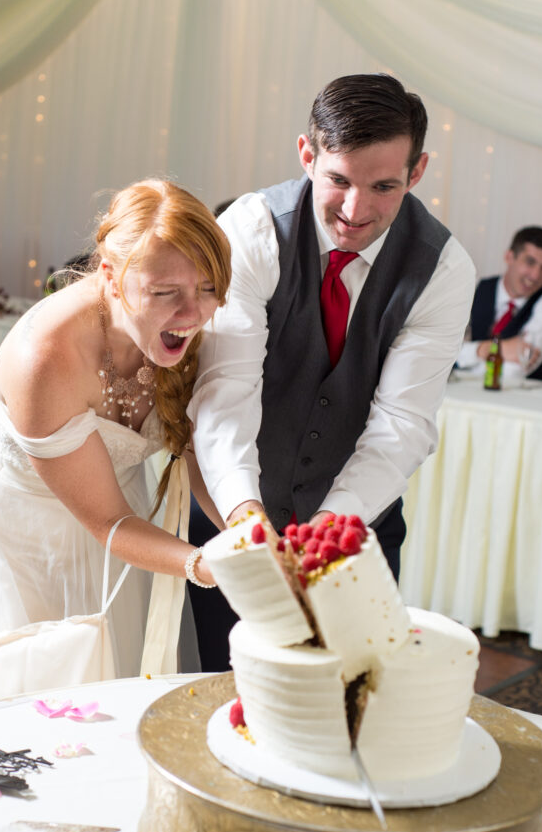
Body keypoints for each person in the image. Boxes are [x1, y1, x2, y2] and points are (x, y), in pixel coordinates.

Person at [0, 179, 230, 729]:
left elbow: (200, 463)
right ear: (111, 278)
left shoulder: (188, 332)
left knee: (109, 676)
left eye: (208, 288)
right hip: (24, 532)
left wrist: (245, 534)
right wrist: (202, 564)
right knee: (32, 688)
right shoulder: (44, 358)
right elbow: (108, 522)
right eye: (166, 292)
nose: (193, 313)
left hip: (118, 512)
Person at [187, 73, 476, 670]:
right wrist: (245, 519)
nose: (355, 210)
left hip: (357, 526)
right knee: (214, 686)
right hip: (228, 510)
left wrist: (324, 533)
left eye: (384, 186)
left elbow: (401, 424)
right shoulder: (251, 229)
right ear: (307, 154)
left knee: (351, 694)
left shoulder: (444, 269)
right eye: (339, 180)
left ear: (417, 172)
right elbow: (225, 392)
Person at [455, 226, 542, 383]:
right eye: (530, 262)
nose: (536, 275)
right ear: (509, 257)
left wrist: (465, 358)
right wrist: (485, 349)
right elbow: (443, 349)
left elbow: (514, 370)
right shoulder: (477, 288)